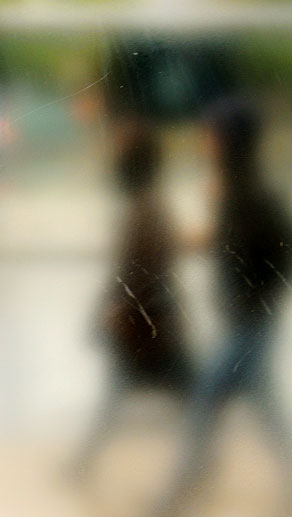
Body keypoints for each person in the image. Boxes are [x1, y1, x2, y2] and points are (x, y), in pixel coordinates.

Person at [145, 97, 292, 517]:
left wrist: (258, 295)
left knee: (202, 405)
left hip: (249, 329)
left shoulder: (249, 194)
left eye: (211, 133)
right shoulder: (234, 190)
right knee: (268, 413)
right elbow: (230, 243)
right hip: (248, 325)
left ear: (229, 140)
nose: (204, 140)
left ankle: (171, 507)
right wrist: (188, 241)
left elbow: (289, 249)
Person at [66, 121, 194, 482]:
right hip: (152, 328)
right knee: (183, 398)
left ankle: (83, 465)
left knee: (189, 398)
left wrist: (116, 311)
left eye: (120, 158)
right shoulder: (147, 208)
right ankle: (82, 464)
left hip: (149, 329)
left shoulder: (144, 212)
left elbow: (141, 274)